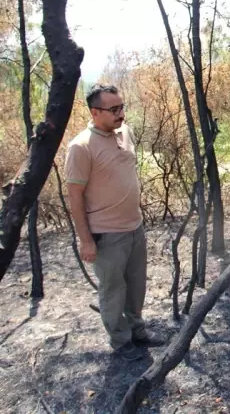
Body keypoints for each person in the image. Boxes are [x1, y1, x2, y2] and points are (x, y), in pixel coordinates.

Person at [65, 84, 164, 361]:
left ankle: (137, 330)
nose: (121, 113)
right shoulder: (80, 147)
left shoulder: (125, 131)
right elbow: (75, 196)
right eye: (114, 109)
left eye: (122, 107)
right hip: (106, 235)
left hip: (135, 228)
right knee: (112, 291)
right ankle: (121, 342)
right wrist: (85, 240)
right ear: (95, 113)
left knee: (136, 287)